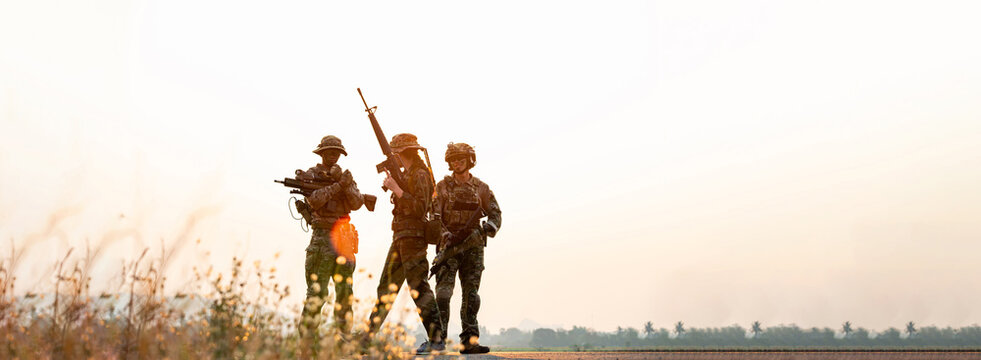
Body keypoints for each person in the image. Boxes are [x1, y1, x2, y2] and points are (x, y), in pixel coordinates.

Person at [367, 133, 445, 354]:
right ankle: (367, 337)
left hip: (413, 238)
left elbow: (421, 209)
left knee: (418, 287)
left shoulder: (421, 175)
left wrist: (397, 189)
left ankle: (436, 339)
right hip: (401, 236)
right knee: (386, 288)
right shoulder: (409, 174)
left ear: (403, 154)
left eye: (396, 154)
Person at [433, 142, 501, 354]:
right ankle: (437, 339)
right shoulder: (442, 187)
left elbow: (495, 214)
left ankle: (469, 341)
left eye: (461, 158)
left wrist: (485, 229)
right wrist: (445, 235)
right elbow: (435, 217)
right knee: (443, 294)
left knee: (471, 296)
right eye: (453, 159)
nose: (457, 163)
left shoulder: (481, 188)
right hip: (449, 246)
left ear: (469, 160)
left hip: (474, 248)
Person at [297, 135, 366, 336]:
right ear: (322, 153)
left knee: (345, 292)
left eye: (337, 152)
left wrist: (344, 183)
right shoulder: (312, 174)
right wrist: (338, 185)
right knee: (317, 293)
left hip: (344, 238)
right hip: (322, 237)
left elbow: (357, 203)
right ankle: (307, 342)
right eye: (329, 152)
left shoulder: (344, 176)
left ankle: (344, 338)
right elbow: (314, 201)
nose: (333, 155)